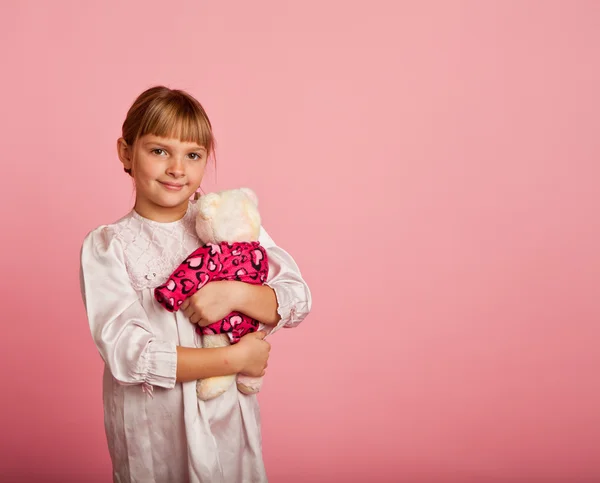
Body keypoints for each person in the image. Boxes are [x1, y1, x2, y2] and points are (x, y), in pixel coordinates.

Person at [79, 85, 312, 483]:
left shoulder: (225, 223)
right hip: (155, 431)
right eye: (158, 151)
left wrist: (234, 293)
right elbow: (128, 354)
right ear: (126, 153)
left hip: (227, 422)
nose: (177, 169)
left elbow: (297, 296)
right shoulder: (109, 246)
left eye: (192, 155)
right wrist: (234, 360)